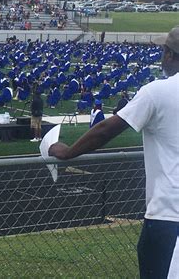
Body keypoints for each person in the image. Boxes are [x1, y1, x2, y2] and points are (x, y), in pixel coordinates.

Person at [49, 26, 179, 279]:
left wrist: (68, 152)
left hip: (169, 213)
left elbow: (107, 129)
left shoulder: (158, 91)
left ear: (169, 55)